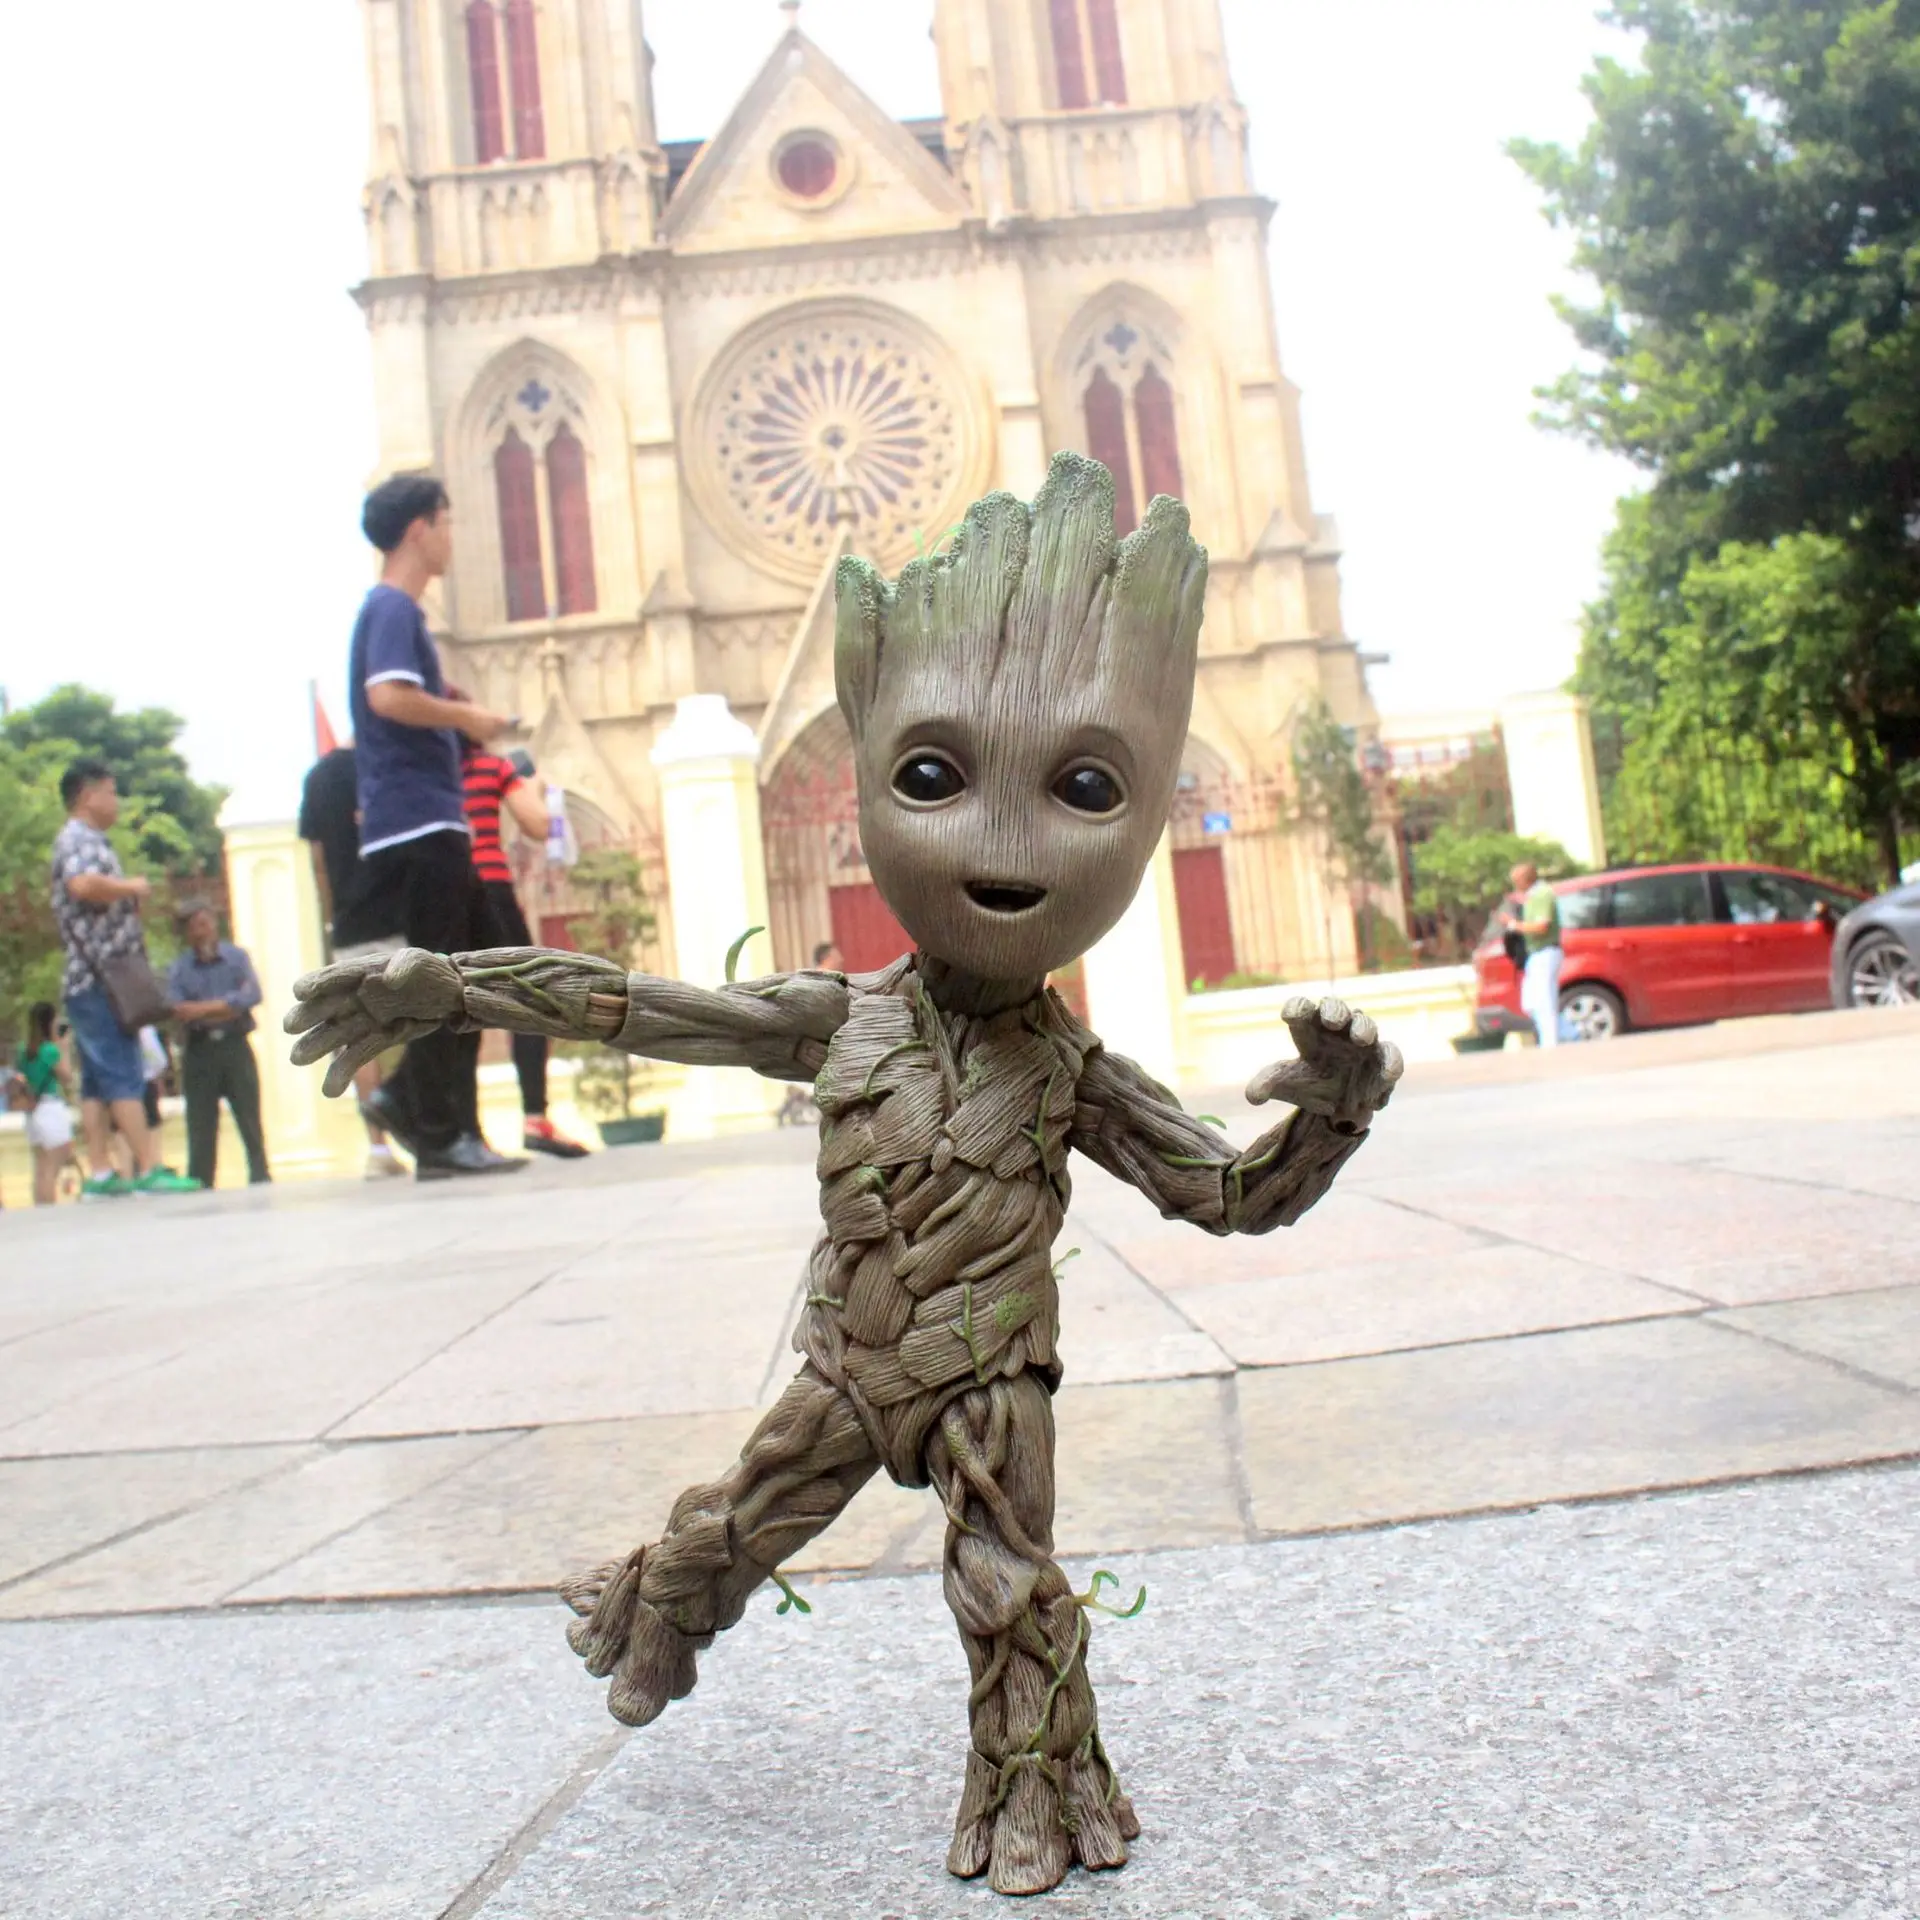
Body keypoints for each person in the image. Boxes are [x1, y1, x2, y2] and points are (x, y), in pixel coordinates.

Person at [349, 473, 524, 1181]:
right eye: (447, 522)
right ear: (419, 528)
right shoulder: (392, 606)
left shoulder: (396, 612)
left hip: (425, 820)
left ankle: (422, 1113)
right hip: (419, 823)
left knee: (471, 971)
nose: (453, 537)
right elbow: (389, 697)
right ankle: (433, 1124)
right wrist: (466, 718)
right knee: (447, 980)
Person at [48, 757, 199, 1198]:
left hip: (91, 979)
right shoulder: (79, 838)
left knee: (96, 1082)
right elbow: (81, 885)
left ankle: (100, 1174)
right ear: (87, 795)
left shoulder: (87, 839)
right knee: (122, 1072)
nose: (116, 801)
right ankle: (148, 1166)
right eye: (111, 792)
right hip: (100, 980)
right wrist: (130, 887)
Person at [460, 736, 590, 1158]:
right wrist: (532, 789)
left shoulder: (423, 776)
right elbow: (538, 826)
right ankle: (535, 1118)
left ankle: (461, 1131)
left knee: (453, 1008)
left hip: (440, 896)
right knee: (530, 998)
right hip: (490, 891)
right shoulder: (491, 768)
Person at [298, 742, 406, 1179]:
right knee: (431, 1023)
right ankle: (429, 1127)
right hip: (401, 920)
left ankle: (378, 1149)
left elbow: (319, 862)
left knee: (361, 1037)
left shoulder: (319, 778)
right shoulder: (389, 763)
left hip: (350, 927)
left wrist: (333, 917)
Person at [167, 901, 271, 1188]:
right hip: (199, 1051)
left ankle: (260, 1178)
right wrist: (226, 1006)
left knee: (250, 1119)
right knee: (200, 1125)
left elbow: (251, 996)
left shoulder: (237, 958)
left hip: (235, 1046)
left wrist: (202, 1009)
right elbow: (178, 1009)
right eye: (195, 927)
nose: (203, 931)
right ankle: (201, 1183)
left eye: (206, 923)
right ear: (187, 933)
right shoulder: (179, 968)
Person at [16, 1002, 78, 1205]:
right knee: (54, 1164)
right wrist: (64, 1048)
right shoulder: (50, 1050)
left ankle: (40, 1207)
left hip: (33, 1110)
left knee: (41, 1166)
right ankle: (50, 1207)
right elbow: (67, 1077)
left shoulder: (23, 1049)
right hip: (50, 1107)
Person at [1504, 860, 1564, 1048]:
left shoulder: (1542, 895)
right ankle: (1568, 1032)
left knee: (1544, 999)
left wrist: (1514, 925)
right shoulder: (1531, 897)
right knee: (1530, 1002)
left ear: (1526, 879)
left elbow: (1541, 926)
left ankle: (1550, 1042)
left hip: (1545, 951)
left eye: (1516, 880)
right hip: (1535, 953)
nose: (1515, 885)